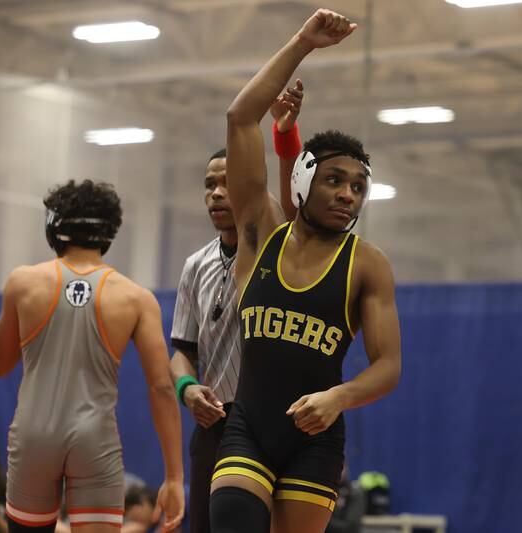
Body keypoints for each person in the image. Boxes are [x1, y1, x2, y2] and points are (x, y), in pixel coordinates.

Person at [209, 9, 402, 533]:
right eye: (335, 180)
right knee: (233, 520)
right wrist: (302, 43)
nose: (347, 194)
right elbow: (239, 118)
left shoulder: (366, 263)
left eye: (359, 186)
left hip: (314, 440)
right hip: (248, 426)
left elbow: (388, 366)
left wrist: (340, 397)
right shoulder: (260, 232)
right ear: (302, 182)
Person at [0, 180, 184, 533]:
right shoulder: (136, 298)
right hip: (95, 438)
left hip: (34, 434)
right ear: (109, 232)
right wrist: (173, 476)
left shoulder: (24, 282)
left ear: (54, 226)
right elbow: (162, 388)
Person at [168, 85, 304, 533]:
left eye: (227, 182)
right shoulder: (194, 265)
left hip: (272, 419)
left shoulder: (272, 244)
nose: (217, 193)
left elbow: (289, 203)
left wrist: (285, 135)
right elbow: (181, 351)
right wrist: (188, 389)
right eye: (209, 185)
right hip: (214, 423)